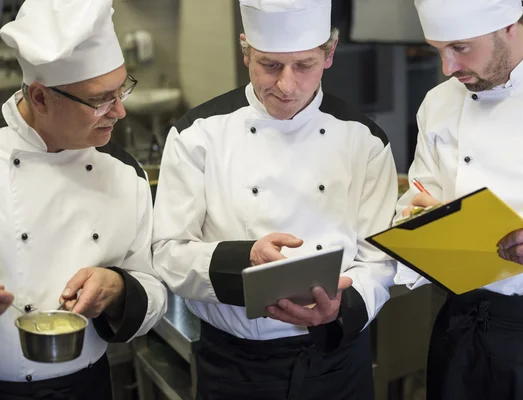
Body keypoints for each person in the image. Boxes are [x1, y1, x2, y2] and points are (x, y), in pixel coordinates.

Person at [151, 0, 398, 399]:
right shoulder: (197, 134)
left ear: (329, 54)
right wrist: (244, 259)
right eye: (269, 65)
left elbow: (379, 260)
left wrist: (339, 307)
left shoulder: (364, 140)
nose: (286, 85)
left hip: (335, 360)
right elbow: (167, 253)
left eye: (304, 66)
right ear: (245, 49)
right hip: (234, 365)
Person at [395, 0, 523, 399]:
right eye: (437, 49)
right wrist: (414, 217)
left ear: (508, 24)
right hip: (462, 333)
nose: (447, 67)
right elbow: (418, 196)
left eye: (460, 47)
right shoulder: (438, 103)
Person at [0, 0, 167, 398]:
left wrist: (118, 288)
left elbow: (154, 287)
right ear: (40, 98)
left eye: (122, 89)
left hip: (87, 386)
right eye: (100, 100)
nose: (120, 111)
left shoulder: (125, 174)